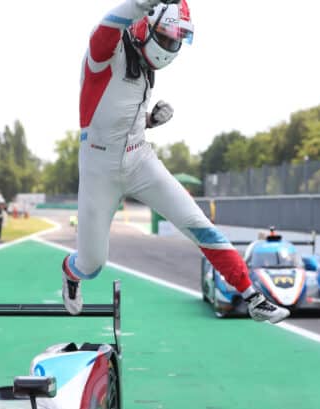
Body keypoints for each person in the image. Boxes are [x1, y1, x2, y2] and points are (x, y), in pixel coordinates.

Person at [61, 0, 289, 324]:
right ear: (144, 25)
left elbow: (120, 117)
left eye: (176, 39)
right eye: (166, 37)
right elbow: (106, 28)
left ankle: (251, 295)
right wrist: (140, 4)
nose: (170, 45)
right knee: (92, 263)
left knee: (198, 224)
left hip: (139, 158)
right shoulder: (105, 54)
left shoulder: (145, 64)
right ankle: (70, 274)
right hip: (99, 168)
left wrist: (149, 121)